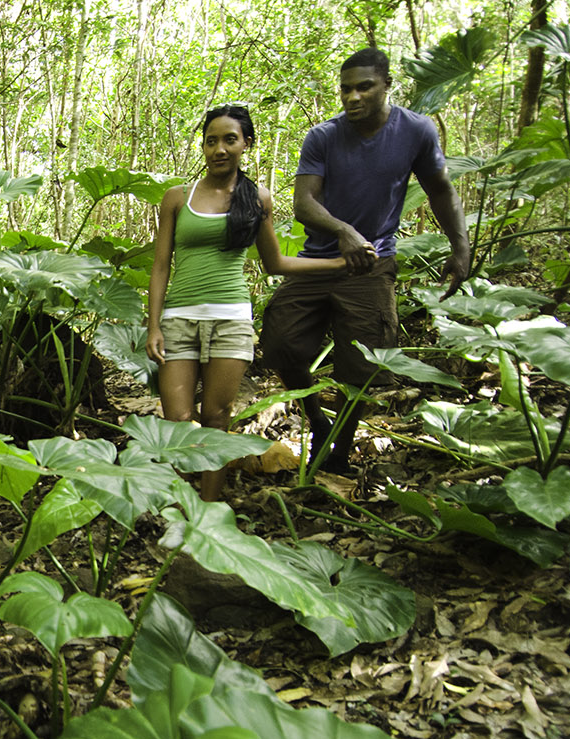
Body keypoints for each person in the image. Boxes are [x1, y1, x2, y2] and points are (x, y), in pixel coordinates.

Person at [262, 47, 471, 474]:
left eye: (364, 87)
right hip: (318, 261)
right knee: (280, 343)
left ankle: (339, 452)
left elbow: (440, 190)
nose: (352, 97)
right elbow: (304, 203)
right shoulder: (324, 136)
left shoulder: (416, 131)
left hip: (373, 265)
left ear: (386, 86)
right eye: (345, 89)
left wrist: (461, 246)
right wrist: (343, 230)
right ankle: (320, 424)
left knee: (361, 366)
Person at [145, 104, 366, 501]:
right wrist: (154, 325)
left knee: (216, 418)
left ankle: (208, 510)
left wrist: (338, 261)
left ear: (246, 143)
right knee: (177, 420)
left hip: (230, 319)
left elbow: (275, 262)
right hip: (179, 318)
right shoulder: (177, 197)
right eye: (211, 141)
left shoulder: (256, 198)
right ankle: (177, 505)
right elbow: (161, 266)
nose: (219, 149)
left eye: (230, 140)